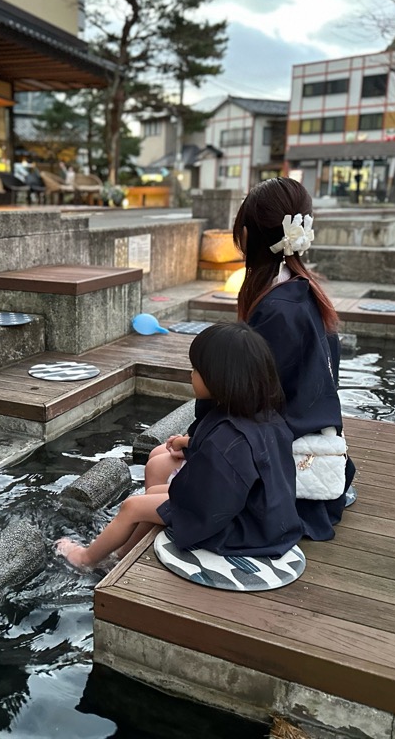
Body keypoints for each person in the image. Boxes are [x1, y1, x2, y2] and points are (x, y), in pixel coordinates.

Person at [56, 322, 304, 569]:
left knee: (132, 506)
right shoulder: (262, 415)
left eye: (196, 369)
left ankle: (85, 559)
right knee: (152, 496)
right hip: (264, 516)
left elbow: (210, 504)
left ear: (220, 378)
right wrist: (189, 444)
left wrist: (175, 509)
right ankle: (121, 552)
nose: (191, 374)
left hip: (243, 530)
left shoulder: (226, 440)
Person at [229, 176, 355, 540]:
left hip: (284, 459)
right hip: (308, 440)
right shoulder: (302, 291)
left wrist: (200, 438)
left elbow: (254, 402)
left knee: (161, 464)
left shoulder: (277, 310)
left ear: (249, 237)